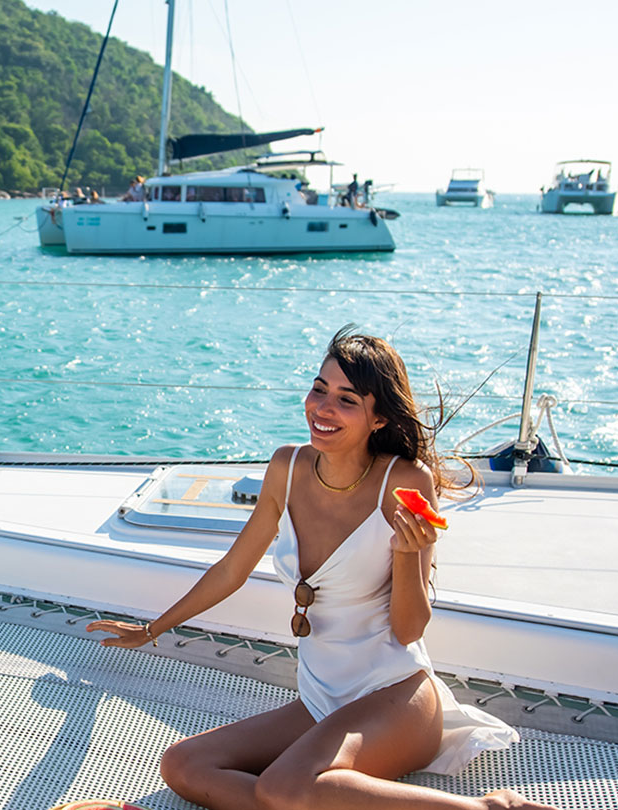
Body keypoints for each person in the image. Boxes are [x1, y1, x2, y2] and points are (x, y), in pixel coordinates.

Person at [88, 328, 546, 810]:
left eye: (347, 400)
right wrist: (153, 627)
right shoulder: (286, 467)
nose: (322, 409)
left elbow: (409, 627)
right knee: (183, 765)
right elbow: (231, 570)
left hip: (396, 697)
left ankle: (492, 809)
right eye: (319, 389)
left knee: (286, 788)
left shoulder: (406, 482)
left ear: (379, 418)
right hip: (320, 700)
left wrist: (408, 554)